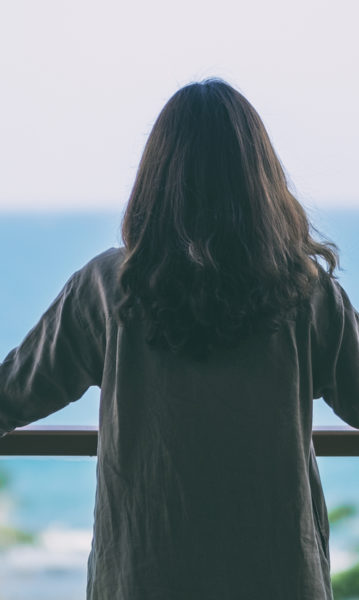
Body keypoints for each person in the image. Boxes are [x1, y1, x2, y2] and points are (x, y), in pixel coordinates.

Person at [0, 77, 358, 600]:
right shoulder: (305, 293)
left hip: (142, 577)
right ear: (259, 178)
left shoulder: (107, 288)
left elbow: (13, 394)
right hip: (277, 576)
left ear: (156, 179)